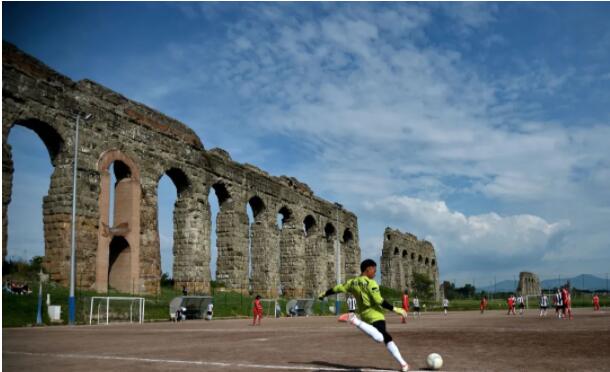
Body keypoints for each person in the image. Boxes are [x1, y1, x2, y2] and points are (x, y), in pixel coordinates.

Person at [318, 259, 410, 372]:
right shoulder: (371, 283)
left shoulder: (352, 282)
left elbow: (336, 289)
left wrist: (324, 294)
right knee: (381, 338)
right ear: (368, 269)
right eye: (374, 270)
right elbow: (379, 301)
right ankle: (354, 320)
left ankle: (403, 363)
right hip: (376, 315)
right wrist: (396, 309)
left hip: (365, 316)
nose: (375, 273)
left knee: (386, 337)